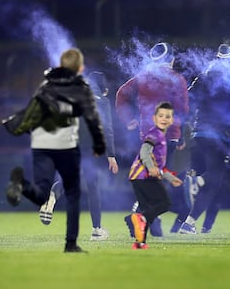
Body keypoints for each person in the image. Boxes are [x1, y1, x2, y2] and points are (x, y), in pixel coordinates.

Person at [5, 48, 106, 253]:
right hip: (66, 145)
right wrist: (99, 144)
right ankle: (70, 244)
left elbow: (33, 110)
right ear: (81, 68)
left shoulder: (46, 84)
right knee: (73, 193)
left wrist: (20, 128)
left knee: (42, 191)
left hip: (41, 143)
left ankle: (22, 184)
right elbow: (92, 119)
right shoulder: (81, 87)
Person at [116, 41, 189, 236]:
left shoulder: (143, 77)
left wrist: (128, 120)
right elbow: (182, 109)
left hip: (146, 135)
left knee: (150, 178)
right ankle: (141, 219)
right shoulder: (176, 79)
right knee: (156, 181)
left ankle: (149, 224)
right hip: (169, 136)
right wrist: (181, 135)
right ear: (172, 59)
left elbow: (121, 94)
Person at [178, 44, 230, 234]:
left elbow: (188, 97)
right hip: (219, 136)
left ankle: (191, 220)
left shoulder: (204, 75)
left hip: (199, 134)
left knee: (213, 182)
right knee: (215, 181)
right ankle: (190, 220)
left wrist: (190, 122)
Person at [127, 102, 183, 249]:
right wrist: (150, 167)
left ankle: (140, 242)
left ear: (172, 120)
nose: (164, 119)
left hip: (136, 178)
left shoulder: (161, 137)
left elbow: (160, 167)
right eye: (161, 115)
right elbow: (144, 151)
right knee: (164, 204)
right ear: (154, 118)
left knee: (147, 210)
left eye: (167, 116)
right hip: (144, 176)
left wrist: (170, 178)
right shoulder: (155, 134)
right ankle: (142, 219)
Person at [81, 71, 118, 241]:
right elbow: (108, 129)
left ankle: (53, 195)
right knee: (93, 186)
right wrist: (111, 155)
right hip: (92, 146)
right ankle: (96, 229)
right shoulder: (102, 101)